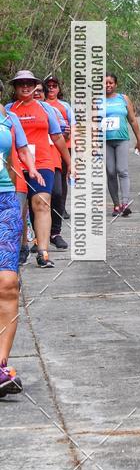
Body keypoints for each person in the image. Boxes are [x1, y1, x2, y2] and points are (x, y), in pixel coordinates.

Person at [0, 98, 45, 395]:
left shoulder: (8, 119)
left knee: (8, 283)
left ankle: (0, 365)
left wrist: (30, 171)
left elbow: (12, 156)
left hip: (4, 201)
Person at [6, 70, 71, 268]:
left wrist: (69, 162)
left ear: (35, 86)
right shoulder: (8, 110)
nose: (25, 87)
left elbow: (57, 137)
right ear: (15, 87)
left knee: (41, 203)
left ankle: (43, 252)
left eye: (29, 83)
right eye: (21, 84)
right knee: (19, 208)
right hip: (16, 165)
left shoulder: (45, 108)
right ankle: (22, 246)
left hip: (42, 163)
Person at [32, 81, 69, 250]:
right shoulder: (16, 109)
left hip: (52, 157)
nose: (36, 93)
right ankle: (38, 237)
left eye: (40, 91)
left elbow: (63, 133)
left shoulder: (52, 110)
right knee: (34, 199)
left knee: (57, 193)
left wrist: (69, 161)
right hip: (30, 160)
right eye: (34, 91)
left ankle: (55, 233)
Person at [101, 74, 140, 217]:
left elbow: (132, 120)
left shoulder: (123, 99)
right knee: (110, 172)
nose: (108, 85)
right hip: (105, 141)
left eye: (111, 83)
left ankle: (125, 203)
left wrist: (139, 139)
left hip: (122, 139)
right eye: (105, 83)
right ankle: (116, 205)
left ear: (116, 84)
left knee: (122, 170)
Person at [44, 76, 73, 224]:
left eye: (54, 86)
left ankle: (61, 207)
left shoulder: (64, 105)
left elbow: (73, 124)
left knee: (62, 178)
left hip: (65, 145)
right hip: (47, 147)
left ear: (58, 89)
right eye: (48, 86)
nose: (51, 88)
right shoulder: (41, 104)